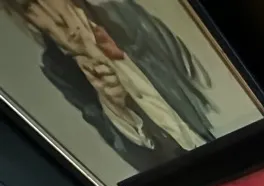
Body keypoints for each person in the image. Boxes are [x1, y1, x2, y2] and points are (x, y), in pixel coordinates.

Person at [1, 0, 216, 170]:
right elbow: (120, 152)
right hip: (181, 169)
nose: (51, 14)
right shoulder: (58, 69)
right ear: (27, 20)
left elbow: (199, 78)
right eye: (30, 6)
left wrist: (121, 60)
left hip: (212, 136)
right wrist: (115, 106)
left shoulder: (124, 15)